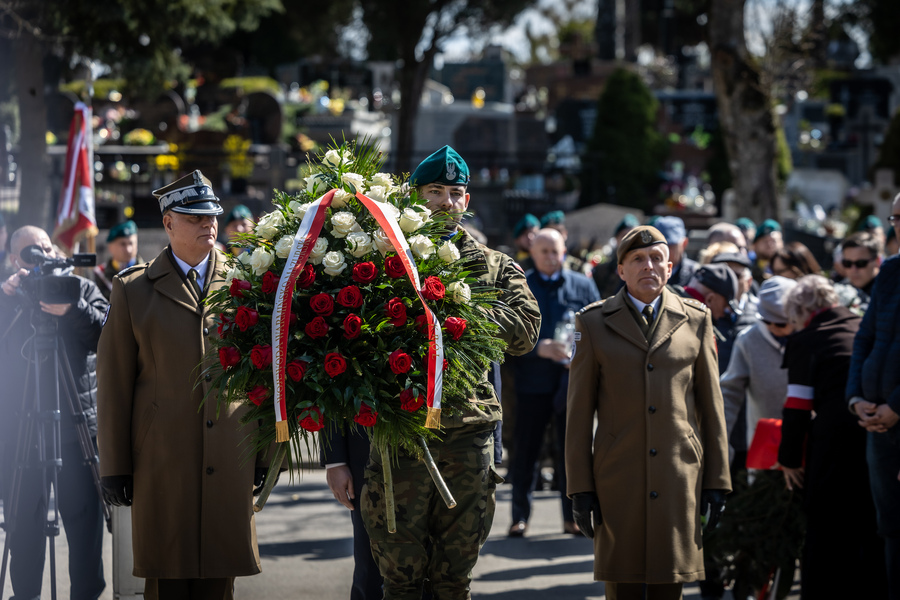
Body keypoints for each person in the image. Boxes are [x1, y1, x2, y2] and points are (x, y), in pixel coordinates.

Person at [360, 146, 541, 600]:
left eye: (455, 193)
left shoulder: (494, 266)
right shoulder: (382, 261)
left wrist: (459, 308)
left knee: (454, 578)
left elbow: (524, 333)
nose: (445, 201)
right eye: (435, 191)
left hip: (467, 437)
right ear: (414, 196)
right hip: (401, 437)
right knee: (398, 581)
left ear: (467, 201)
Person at [97, 170, 273, 600]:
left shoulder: (245, 285)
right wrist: (115, 466)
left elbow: (264, 375)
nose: (208, 224)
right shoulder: (133, 290)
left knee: (220, 581)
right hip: (162, 462)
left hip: (231, 457)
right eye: (194, 216)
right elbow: (114, 385)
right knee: (167, 580)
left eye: (212, 215)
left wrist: (266, 453)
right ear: (168, 223)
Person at [566, 225, 731, 600]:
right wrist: (580, 488)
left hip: (678, 475)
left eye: (657, 258)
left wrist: (717, 481)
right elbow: (577, 415)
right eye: (637, 259)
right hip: (617, 477)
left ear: (670, 267)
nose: (649, 266)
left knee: (667, 586)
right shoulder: (592, 323)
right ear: (620, 270)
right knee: (622, 586)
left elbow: (712, 406)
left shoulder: (697, 319)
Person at [0, 225, 107, 600]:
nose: (43, 255)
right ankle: (24, 594)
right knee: (24, 525)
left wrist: (72, 309)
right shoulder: (10, 296)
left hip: (77, 431)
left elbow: (108, 337)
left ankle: (87, 595)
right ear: (16, 260)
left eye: (47, 247)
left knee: (85, 524)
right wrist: (9, 299)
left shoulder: (79, 288)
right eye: (32, 251)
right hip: (21, 433)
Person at [778, 275, 886, 599]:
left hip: (832, 448)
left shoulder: (807, 340)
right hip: (875, 436)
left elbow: (797, 407)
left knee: (825, 535)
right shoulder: (862, 326)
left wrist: (789, 460)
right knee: (870, 529)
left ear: (800, 311)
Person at [508, 228, 600, 538]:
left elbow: (599, 329)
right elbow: (506, 337)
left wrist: (581, 354)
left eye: (555, 251)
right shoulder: (521, 286)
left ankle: (572, 517)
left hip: (571, 384)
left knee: (570, 453)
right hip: (531, 383)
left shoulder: (583, 285)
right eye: (543, 251)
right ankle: (519, 516)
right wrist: (538, 348)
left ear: (564, 252)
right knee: (526, 453)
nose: (550, 257)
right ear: (532, 253)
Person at [847, 192, 900, 600]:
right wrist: (854, 399)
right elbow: (863, 339)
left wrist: (896, 406)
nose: (898, 225)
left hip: (893, 414)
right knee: (889, 525)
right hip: (875, 422)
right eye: (895, 218)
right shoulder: (891, 271)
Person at [591, 214, 639, 299]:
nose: (629, 241)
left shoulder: (645, 269)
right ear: (616, 239)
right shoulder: (601, 271)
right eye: (624, 236)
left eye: (633, 237)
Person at [93, 220, 142, 300]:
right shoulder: (100, 274)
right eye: (122, 244)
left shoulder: (147, 272)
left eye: (131, 243)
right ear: (111, 247)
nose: (128, 249)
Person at [838, 231, 882, 312]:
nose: (853, 269)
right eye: (847, 263)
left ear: (877, 261)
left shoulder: (889, 293)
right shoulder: (840, 289)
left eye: (860, 263)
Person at [655, 215, 699, 289]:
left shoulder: (696, 274)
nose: (665, 251)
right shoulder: (648, 270)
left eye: (670, 245)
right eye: (659, 245)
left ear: (684, 244)